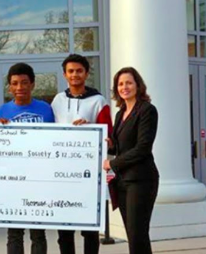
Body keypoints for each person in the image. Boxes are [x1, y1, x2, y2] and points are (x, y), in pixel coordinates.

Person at [51, 54, 113, 254]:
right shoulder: (57, 100)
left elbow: (109, 136)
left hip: (89, 174)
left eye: (79, 70)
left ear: (86, 73)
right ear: (64, 74)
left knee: (90, 231)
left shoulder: (98, 100)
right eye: (70, 71)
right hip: (61, 175)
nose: (75, 75)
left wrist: (92, 128)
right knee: (65, 230)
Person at [0, 62, 54, 254]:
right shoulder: (2, 111)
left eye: (24, 82)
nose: (20, 87)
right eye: (15, 83)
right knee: (14, 233)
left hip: (38, 179)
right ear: (10, 87)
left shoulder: (46, 109)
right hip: (13, 180)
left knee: (38, 233)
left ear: (33, 84)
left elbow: (55, 141)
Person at [102, 67, 159, 254]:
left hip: (141, 180)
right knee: (133, 235)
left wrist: (112, 164)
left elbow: (143, 148)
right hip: (122, 181)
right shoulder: (120, 113)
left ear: (138, 85)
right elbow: (121, 148)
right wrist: (111, 146)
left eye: (128, 82)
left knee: (138, 234)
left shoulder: (147, 110)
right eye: (120, 84)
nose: (124, 87)